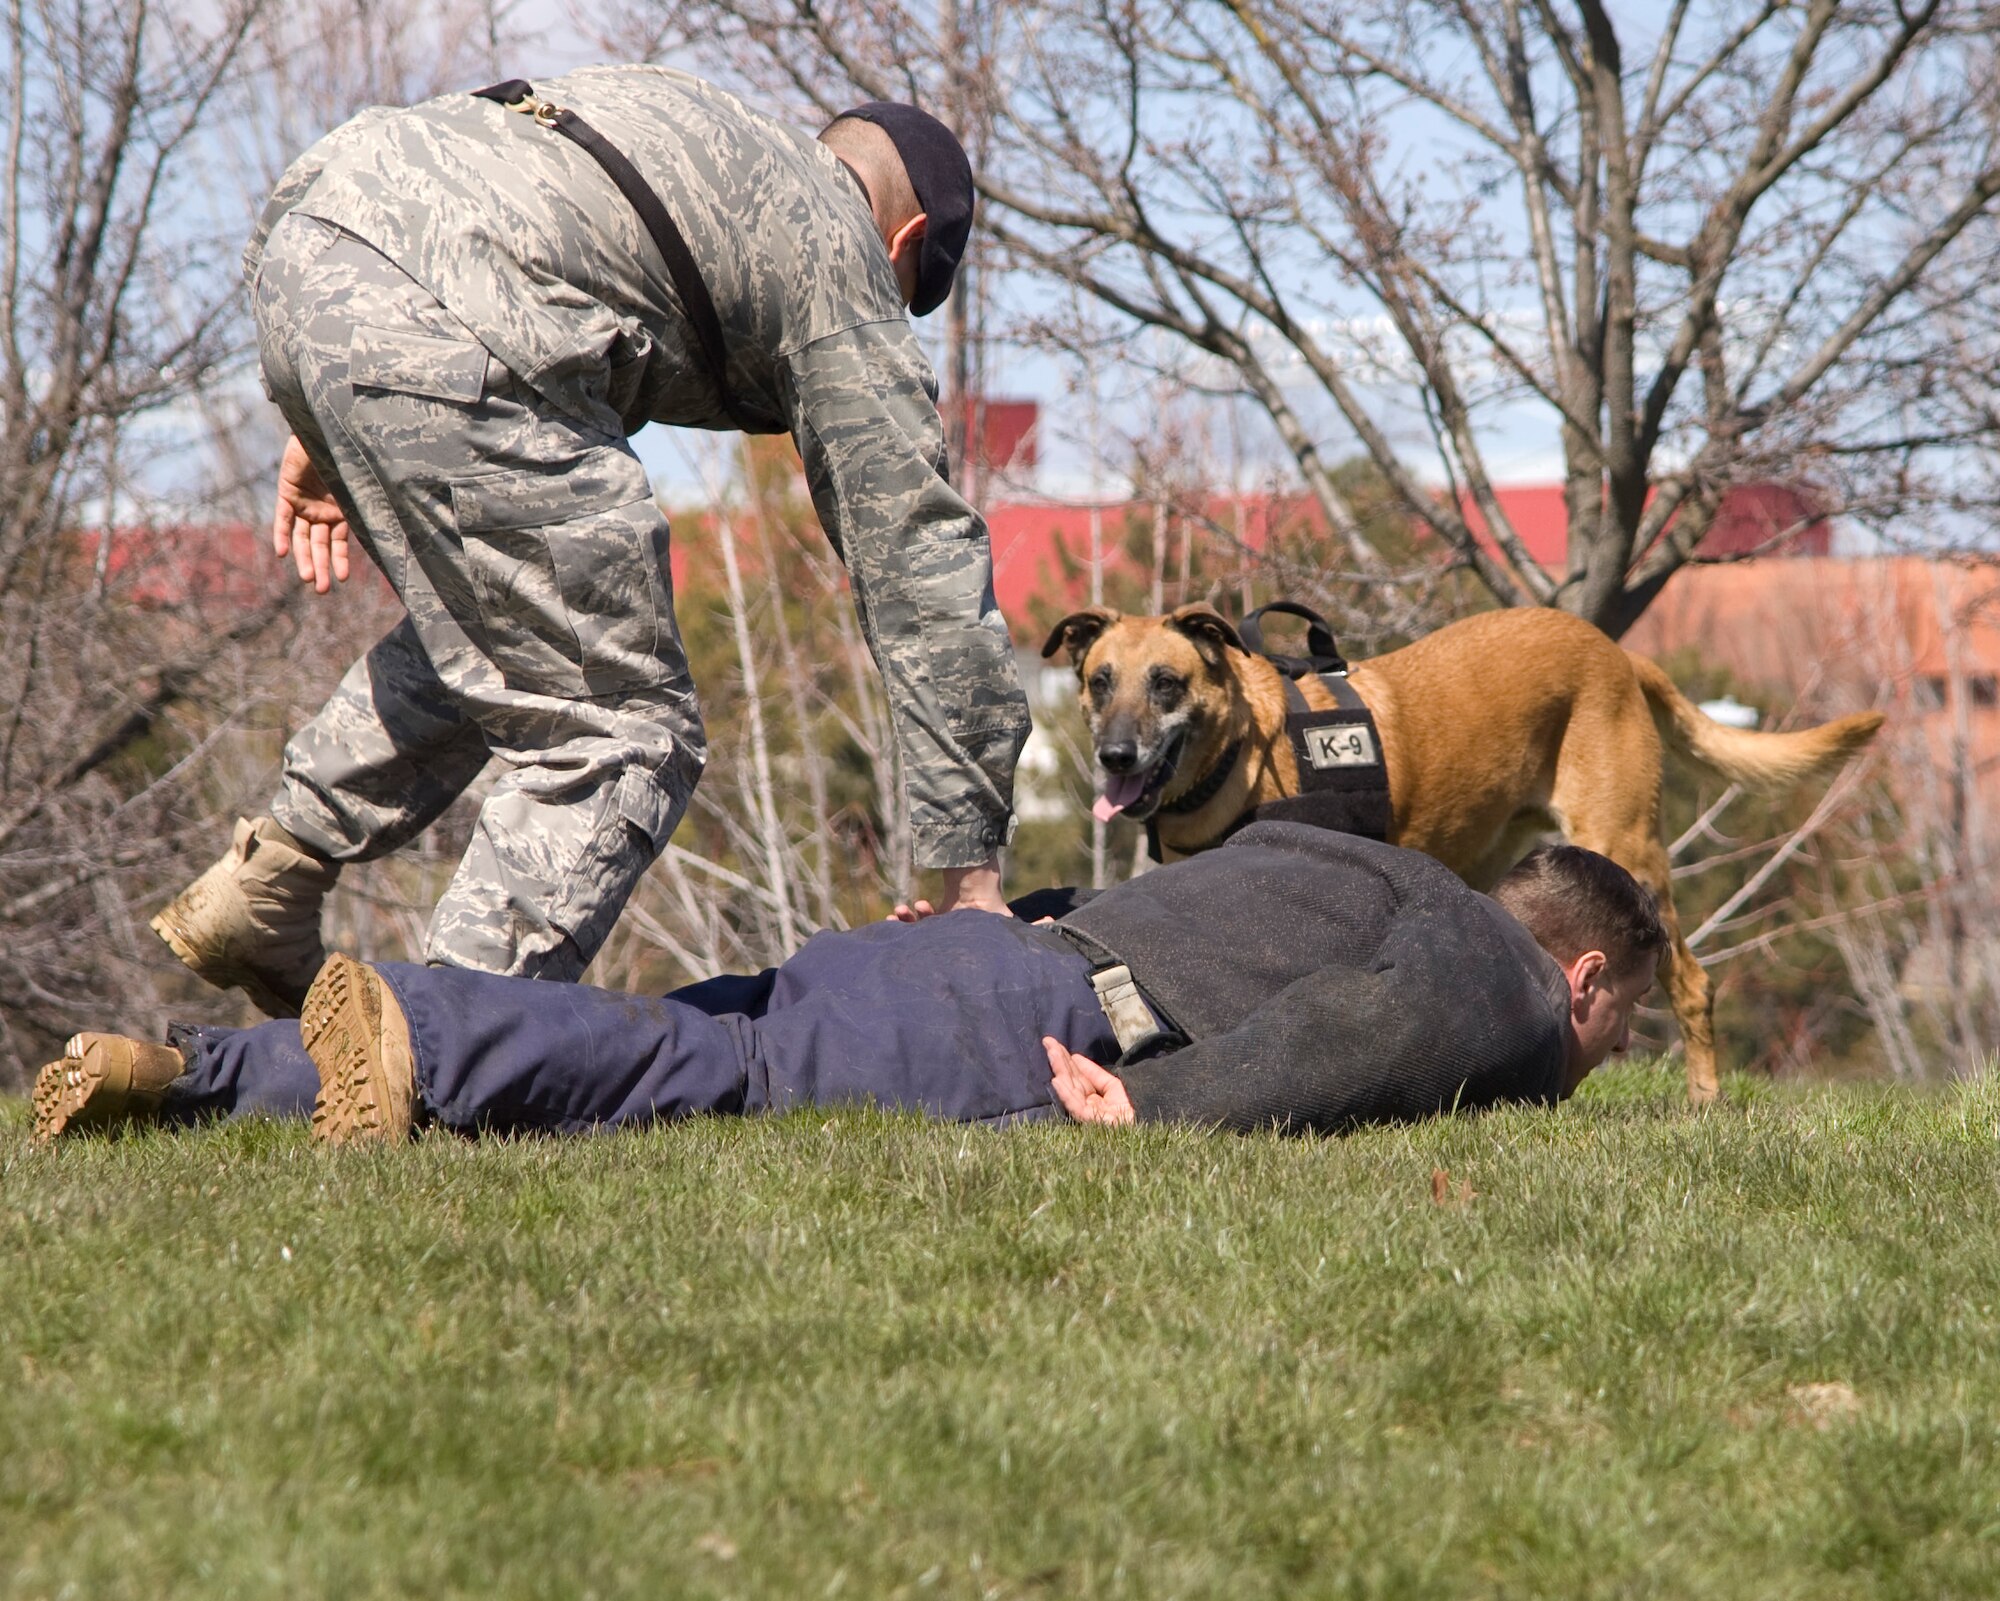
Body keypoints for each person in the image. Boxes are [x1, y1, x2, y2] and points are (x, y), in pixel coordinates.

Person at [151, 67, 1029, 1019]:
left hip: (314, 245)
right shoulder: (838, 249)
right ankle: (455, 1043)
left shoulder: (702, 129)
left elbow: (465, 219)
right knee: (624, 727)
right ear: (903, 241)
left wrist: (328, 411)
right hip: (449, 315)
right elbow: (921, 560)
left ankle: (272, 876)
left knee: (520, 629)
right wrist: (968, 872)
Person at [36, 829, 1666, 1146]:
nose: (1590, 1065)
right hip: (1023, 1019)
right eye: (1613, 1037)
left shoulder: (1341, 850)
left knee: (675, 1048)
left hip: (966, 950)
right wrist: (1162, 1107)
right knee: (693, 1076)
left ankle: (188, 1078)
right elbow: (1377, 1031)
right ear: (1583, 975)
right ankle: (408, 1018)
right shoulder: (1493, 964)